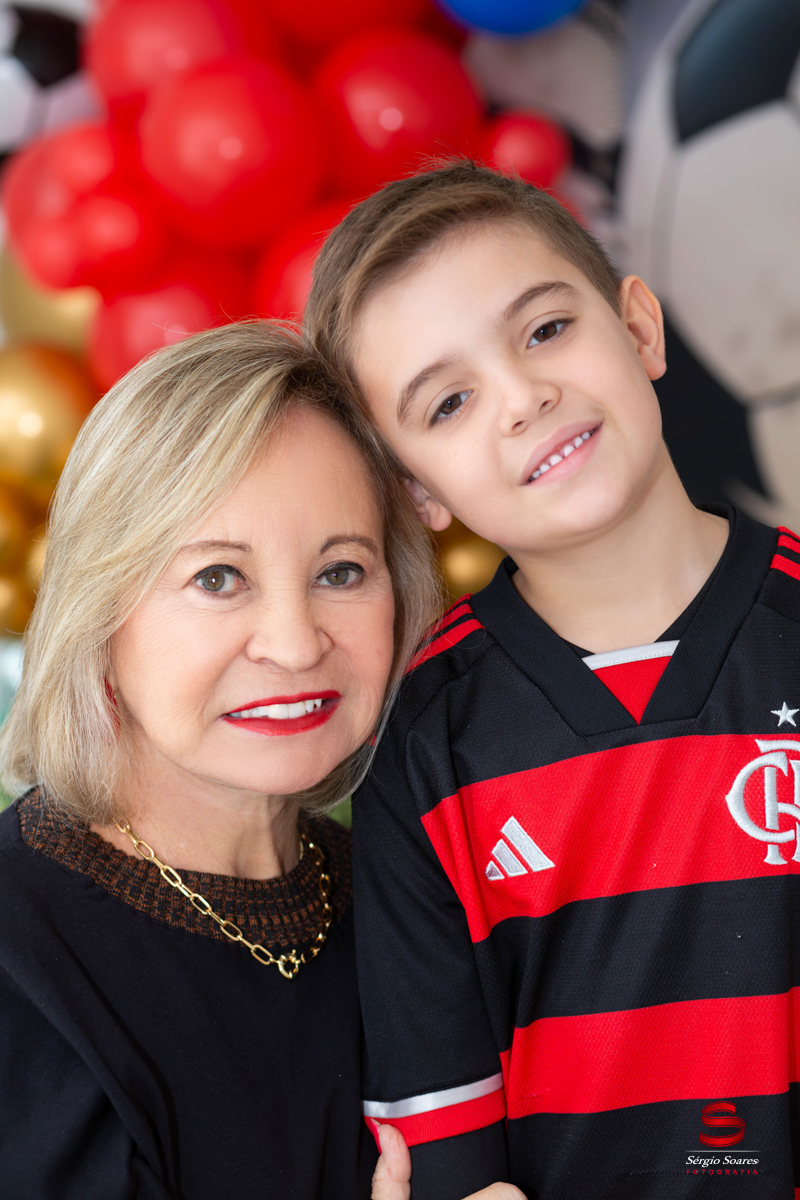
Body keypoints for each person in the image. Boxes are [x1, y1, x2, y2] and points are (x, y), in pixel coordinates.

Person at [304, 162, 800, 1199]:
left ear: (639, 329)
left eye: (544, 330)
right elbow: (443, 1136)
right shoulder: (422, 744)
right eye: (449, 401)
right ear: (415, 491)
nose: (524, 397)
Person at [0, 321, 443, 1200]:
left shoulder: (413, 903)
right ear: (100, 613)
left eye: (342, 571)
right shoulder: (19, 958)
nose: (295, 644)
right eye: (217, 578)